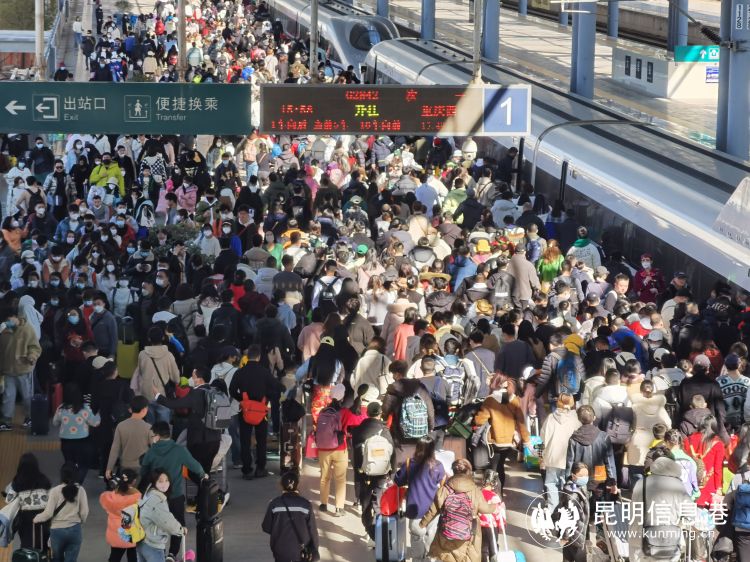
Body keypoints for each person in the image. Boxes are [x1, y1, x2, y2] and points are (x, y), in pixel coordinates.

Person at [139, 422, 205, 560]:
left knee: (156, 523)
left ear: (157, 436)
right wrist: (203, 475)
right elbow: (195, 466)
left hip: (156, 496)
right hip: (175, 495)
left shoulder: (151, 452)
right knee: (178, 525)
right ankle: (172, 554)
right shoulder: (179, 450)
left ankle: (159, 552)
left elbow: (143, 471)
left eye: (152, 436)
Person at [419, 458, 497, 562]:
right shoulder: (475, 491)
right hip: (469, 537)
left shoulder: (445, 489)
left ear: (454, 471)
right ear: (468, 472)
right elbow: (485, 508)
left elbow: (432, 510)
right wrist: (495, 506)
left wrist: (422, 524)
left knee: (447, 558)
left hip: (447, 534)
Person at [229, 344, 285, 480]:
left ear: (247, 357)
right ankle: (260, 468)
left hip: (245, 410)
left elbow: (232, 390)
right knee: (261, 440)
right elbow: (278, 386)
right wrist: (268, 398)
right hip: (261, 410)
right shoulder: (264, 372)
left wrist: (242, 400)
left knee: (245, 439)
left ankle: (247, 469)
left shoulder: (240, 372)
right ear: (259, 357)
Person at [154, 366, 221, 476]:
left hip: (199, 441)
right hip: (215, 439)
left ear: (199, 379)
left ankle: (206, 485)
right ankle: (207, 486)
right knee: (205, 472)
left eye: (194, 376)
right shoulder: (216, 391)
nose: (192, 378)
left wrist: (157, 395)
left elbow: (173, 404)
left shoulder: (195, 393)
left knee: (194, 472)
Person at [628, 458, 693, 562]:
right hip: (668, 543)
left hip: (640, 541)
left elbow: (633, 512)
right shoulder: (678, 486)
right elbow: (690, 515)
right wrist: (678, 524)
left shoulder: (641, 483)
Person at [393, 436, 446, 562]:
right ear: (432, 449)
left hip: (414, 508)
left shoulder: (409, 463)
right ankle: (429, 558)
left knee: (416, 537)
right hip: (433, 509)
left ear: (418, 448)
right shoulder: (438, 466)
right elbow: (443, 484)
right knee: (431, 534)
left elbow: (398, 481)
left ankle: (418, 559)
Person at [474, 378, 530, 498]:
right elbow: (521, 422)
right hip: (508, 441)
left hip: (494, 440)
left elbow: (480, 420)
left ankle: (493, 496)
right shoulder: (514, 399)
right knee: (501, 466)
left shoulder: (490, 400)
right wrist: (526, 439)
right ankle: (500, 495)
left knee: (493, 468)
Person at [316, 384, 363, 515]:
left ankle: (323, 504)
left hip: (323, 449)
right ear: (343, 397)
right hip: (340, 448)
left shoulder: (323, 411)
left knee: (324, 477)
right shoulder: (345, 412)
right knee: (340, 479)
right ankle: (339, 508)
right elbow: (355, 424)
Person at [350, 400, 394, 542]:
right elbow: (392, 453)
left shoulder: (358, 431)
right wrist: (391, 473)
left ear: (367, 413)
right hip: (381, 473)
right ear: (380, 414)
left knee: (365, 505)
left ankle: (371, 532)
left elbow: (355, 455)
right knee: (378, 502)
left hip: (364, 474)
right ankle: (380, 532)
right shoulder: (385, 431)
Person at [33, 463, 89, 562]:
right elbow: (84, 512)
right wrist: (81, 522)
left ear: (62, 475)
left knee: (57, 559)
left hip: (57, 531)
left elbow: (48, 513)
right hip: (75, 530)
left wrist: (36, 518)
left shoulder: (54, 491)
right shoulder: (80, 490)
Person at [0, 305, 43, 430]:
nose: (7, 323)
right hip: (8, 370)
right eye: (5, 321)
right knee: (8, 397)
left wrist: (32, 356)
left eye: (8, 320)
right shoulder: (4, 332)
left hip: (24, 370)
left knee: (27, 397)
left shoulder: (27, 330)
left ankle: (30, 418)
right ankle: (6, 421)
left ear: (15, 317)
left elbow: (35, 347)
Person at [262, 471, 320, 562]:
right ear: (298, 485)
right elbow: (312, 530)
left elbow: (266, 527)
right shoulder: (305, 504)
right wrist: (315, 550)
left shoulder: (274, 504)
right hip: (301, 551)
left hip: (280, 550)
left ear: (281, 485)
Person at [53, 383, 101, 483]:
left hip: (65, 442)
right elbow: (95, 423)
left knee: (69, 464)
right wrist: (99, 413)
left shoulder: (61, 408)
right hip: (82, 442)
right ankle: (78, 484)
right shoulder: (84, 409)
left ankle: (69, 483)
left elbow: (55, 423)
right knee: (83, 465)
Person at [540, 394, 582, 507]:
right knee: (566, 483)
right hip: (569, 458)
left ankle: (553, 508)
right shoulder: (576, 420)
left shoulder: (550, 418)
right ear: (572, 404)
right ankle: (565, 507)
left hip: (552, 458)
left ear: (558, 402)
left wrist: (540, 456)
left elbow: (542, 438)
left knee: (551, 483)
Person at [4, 453, 52, 549]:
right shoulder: (43, 479)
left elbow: (8, 500)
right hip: (43, 517)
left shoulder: (18, 481)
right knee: (43, 543)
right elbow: (51, 496)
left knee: (26, 544)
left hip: (25, 519)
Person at [137, 471, 187, 562]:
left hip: (142, 541)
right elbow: (167, 522)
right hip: (153, 545)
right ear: (154, 482)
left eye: (167, 480)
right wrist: (180, 530)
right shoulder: (157, 500)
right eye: (160, 481)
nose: (164, 484)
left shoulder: (148, 494)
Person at [566, 405, 617, 486]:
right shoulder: (604, 436)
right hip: (599, 476)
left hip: (580, 475)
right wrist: (613, 482)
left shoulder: (574, 438)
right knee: (598, 493)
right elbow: (609, 462)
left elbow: (570, 462)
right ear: (594, 418)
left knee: (581, 493)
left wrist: (568, 479)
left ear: (579, 419)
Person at [106, 396, 152, 481]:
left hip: (125, 466)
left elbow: (115, 449)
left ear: (131, 409)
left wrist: (109, 468)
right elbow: (155, 448)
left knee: (126, 488)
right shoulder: (148, 428)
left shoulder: (121, 426)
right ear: (144, 410)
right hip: (142, 466)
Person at [99, 469, 141, 562]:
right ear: (134, 481)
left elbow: (104, 499)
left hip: (116, 535)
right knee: (133, 557)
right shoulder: (136, 498)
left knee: (114, 557)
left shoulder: (111, 497)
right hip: (131, 533)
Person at [684, 414, 726, 508]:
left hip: (691, 483)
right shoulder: (718, 443)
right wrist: (718, 487)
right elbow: (717, 469)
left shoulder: (688, 440)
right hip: (709, 485)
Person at [554, 462, 590, 562]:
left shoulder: (578, 487)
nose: (585, 478)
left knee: (567, 558)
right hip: (574, 535)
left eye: (586, 475)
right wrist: (565, 537)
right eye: (581, 475)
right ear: (573, 476)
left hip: (574, 533)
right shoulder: (572, 494)